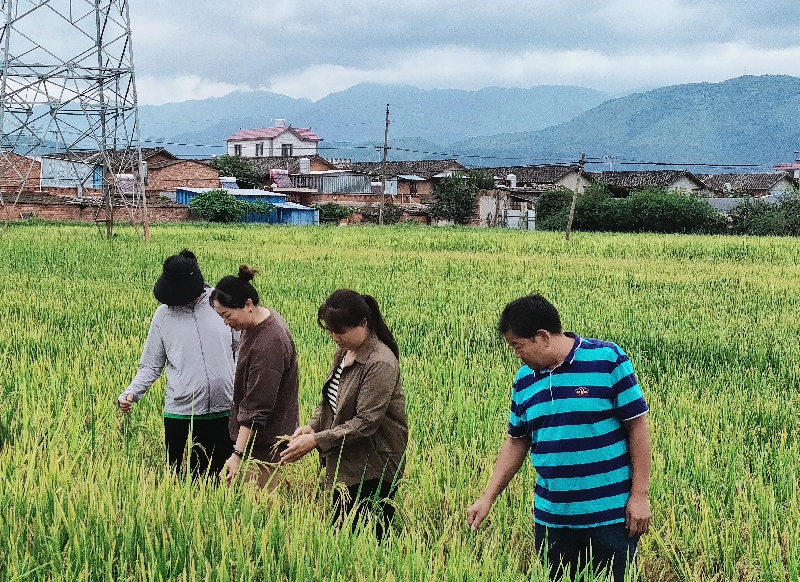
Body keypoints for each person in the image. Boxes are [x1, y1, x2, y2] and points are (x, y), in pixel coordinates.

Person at [467, 294, 652, 582]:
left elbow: (637, 427)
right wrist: (488, 497)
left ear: (542, 336)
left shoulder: (607, 360)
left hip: (610, 518)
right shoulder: (524, 381)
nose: (516, 354)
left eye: (518, 346)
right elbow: (516, 440)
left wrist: (639, 495)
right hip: (553, 520)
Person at [281, 289, 407, 540]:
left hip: (373, 465)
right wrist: (313, 426)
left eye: (340, 331)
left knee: (369, 538)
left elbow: (366, 422)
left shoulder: (380, 362)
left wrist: (317, 441)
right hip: (345, 459)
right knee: (344, 533)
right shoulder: (345, 351)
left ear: (363, 324)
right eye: (330, 331)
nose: (334, 337)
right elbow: (329, 400)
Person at [118, 249, 238, 480]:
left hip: (225, 411)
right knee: (182, 483)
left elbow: (242, 351)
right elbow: (151, 365)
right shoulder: (163, 316)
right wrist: (132, 392)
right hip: (182, 415)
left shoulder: (222, 306)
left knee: (223, 482)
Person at [210, 265, 299, 491]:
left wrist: (237, 455)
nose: (225, 322)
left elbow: (257, 406)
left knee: (260, 513)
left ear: (248, 305)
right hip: (256, 442)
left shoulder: (269, 342)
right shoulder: (257, 323)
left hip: (264, 447)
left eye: (227, 315)